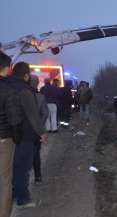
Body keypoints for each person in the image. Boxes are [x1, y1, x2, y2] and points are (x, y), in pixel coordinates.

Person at [8, 62, 48, 208]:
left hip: (8, 134)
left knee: (10, 168)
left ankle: (10, 195)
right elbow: (33, 115)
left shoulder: (6, 86)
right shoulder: (25, 91)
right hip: (24, 135)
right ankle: (22, 198)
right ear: (26, 75)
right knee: (22, 168)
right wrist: (42, 132)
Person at [0, 52, 22, 217]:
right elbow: (14, 117)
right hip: (3, 139)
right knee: (4, 180)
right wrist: (17, 136)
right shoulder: (8, 89)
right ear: (8, 68)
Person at [30, 75, 48, 184]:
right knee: (36, 154)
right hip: (36, 131)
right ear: (37, 83)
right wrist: (40, 126)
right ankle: (38, 177)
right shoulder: (40, 97)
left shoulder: (20, 95)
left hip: (23, 131)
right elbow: (45, 113)